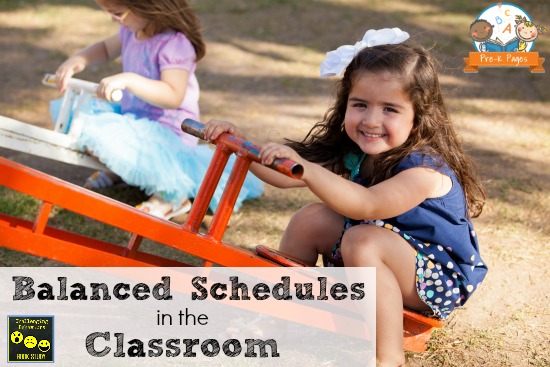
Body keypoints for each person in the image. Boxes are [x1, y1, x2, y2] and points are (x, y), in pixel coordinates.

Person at [204, 28, 488, 366]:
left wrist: (308, 170)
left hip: (431, 279)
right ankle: (276, 314)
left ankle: (387, 357)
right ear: (345, 103)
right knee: (312, 219)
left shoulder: (424, 172)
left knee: (363, 240)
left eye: (390, 109)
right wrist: (242, 145)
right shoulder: (355, 152)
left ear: (419, 116)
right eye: (361, 104)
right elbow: (283, 176)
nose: (371, 120)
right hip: (376, 254)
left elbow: (366, 205)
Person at [53, 0, 263, 219]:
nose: (113, 19)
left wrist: (130, 80)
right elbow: (105, 48)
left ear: (147, 6)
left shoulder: (174, 44)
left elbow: (173, 95)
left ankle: (171, 197)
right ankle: (122, 171)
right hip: (133, 117)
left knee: (108, 132)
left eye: (118, 13)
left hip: (169, 132)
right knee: (85, 117)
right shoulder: (131, 31)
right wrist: (78, 59)